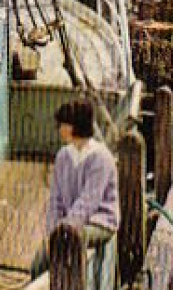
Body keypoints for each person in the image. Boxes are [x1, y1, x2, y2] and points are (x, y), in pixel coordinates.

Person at [31, 99, 119, 276]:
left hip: (100, 222)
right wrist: (52, 232)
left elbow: (89, 201)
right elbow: (55, 200)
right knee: (39, 262)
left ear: (76, 126)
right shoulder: (63, 156)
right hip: (70, 225)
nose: (60, 128)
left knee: (70, 243)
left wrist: (65, 230)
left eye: (64, 124)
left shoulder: (101, 158)